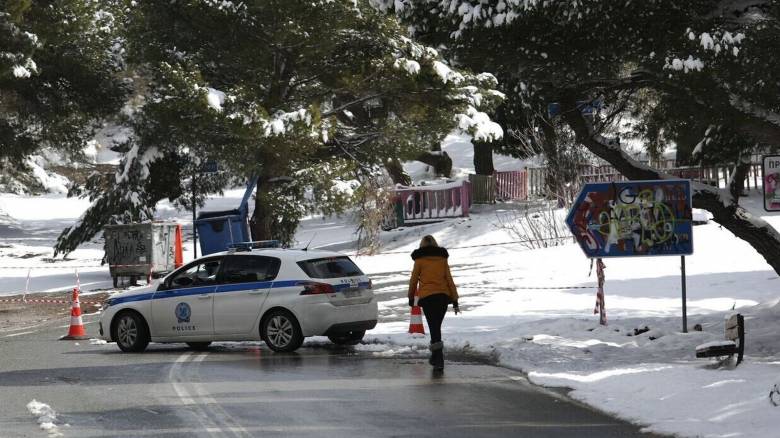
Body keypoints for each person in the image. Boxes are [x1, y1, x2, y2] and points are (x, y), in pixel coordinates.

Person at [408, 235, 459, 370]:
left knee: (434, 327)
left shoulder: (419, 261)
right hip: (442, 297)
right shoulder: (442, 259)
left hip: (428, 298)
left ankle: (439, 358)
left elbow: (413, 281)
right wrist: (455, 299)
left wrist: (411, 298)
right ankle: (436, 357)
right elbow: (449, 279)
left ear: (422, 245)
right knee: (436, 327)